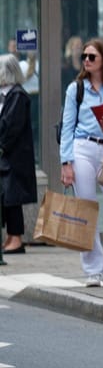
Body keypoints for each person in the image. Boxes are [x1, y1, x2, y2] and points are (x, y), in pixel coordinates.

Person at [60, 38, 103, 285]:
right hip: (83, 147)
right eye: (84, 57)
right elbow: (67, 126)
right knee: (86, 209)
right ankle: (93, 269)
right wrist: (66, 162)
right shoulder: (76, 88)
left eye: (92, 57)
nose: (87, 61)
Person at [0, 55, 31, 256]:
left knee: (12, 199)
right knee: (7, 198)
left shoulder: (18, 95)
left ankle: (16, 238)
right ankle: (11, 237)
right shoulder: (6, 94)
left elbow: (11, 126)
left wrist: (2, 146)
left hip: (13, 156)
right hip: (7, 155)